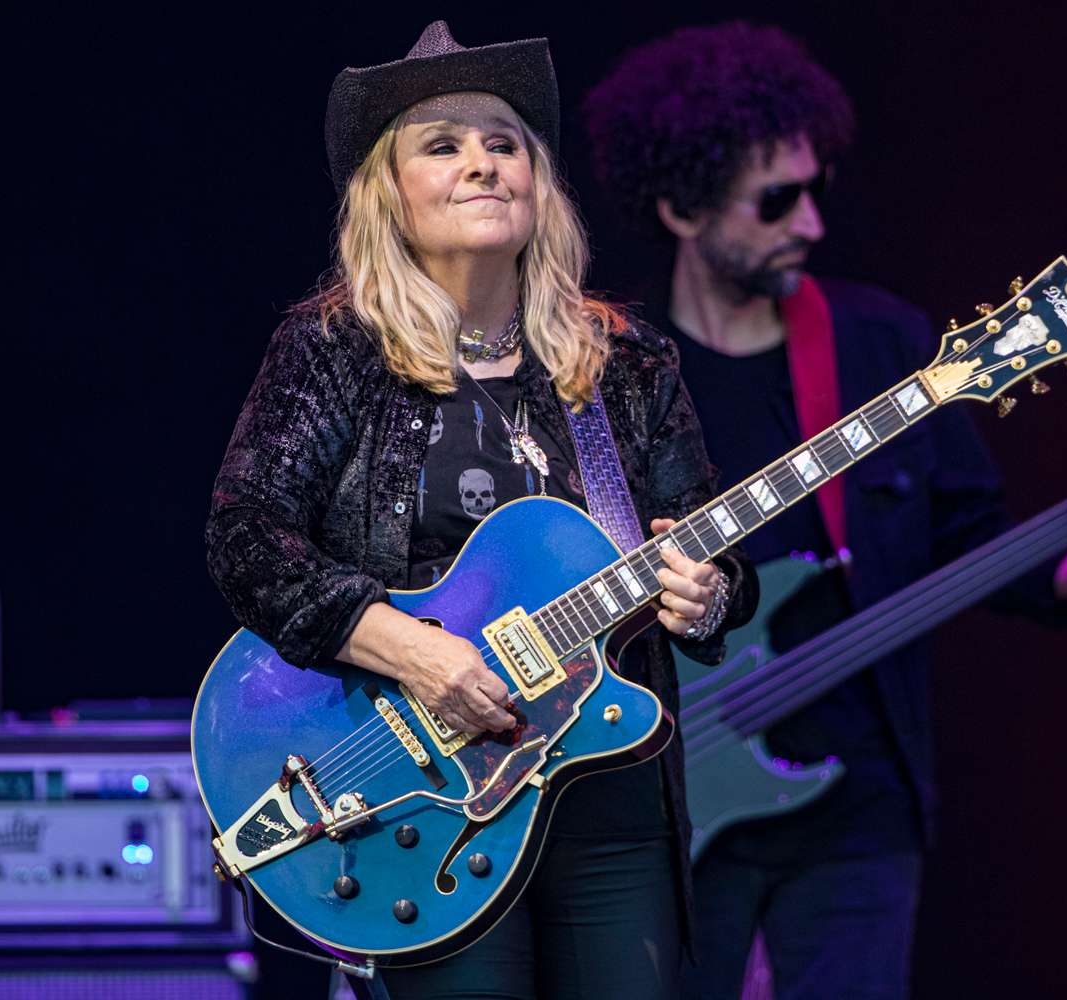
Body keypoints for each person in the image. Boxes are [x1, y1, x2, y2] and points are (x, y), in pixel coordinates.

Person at [584, 22, 1067, 999]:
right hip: (663, 793)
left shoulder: (877, 343)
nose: (811, 221)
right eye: (777, 199)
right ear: (683, 207)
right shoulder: (613, 370)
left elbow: (970, 538)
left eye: (817, 190)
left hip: (858, 802)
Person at [205, 21, 757, 1000]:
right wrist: (416, 650)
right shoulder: (335, 351)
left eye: (505, 143)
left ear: (541, 185)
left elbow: (703, 542)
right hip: (426, 801)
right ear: (392, 194)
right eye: (444, 145)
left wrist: (705, 595)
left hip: (606, 787)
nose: (483, 165)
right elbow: (247, 538)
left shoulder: (621, 364)